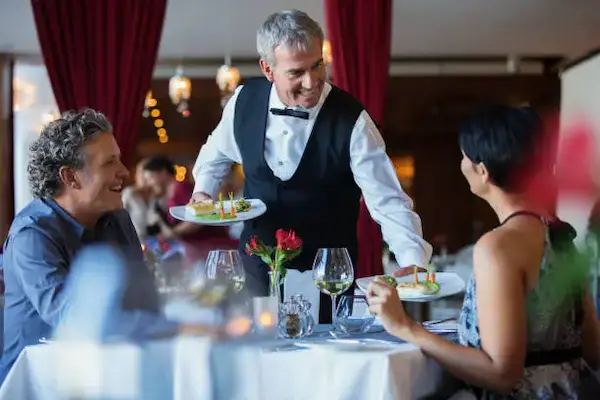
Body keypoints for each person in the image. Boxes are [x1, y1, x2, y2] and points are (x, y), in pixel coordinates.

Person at [190, 10, 432, 319]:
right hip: (254, 272)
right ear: (268, 69)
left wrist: (412, 261)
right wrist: (203, 194)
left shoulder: (352, 119)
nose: (311, 81)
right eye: (296, 72)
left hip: (327, 277)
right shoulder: (243, 101)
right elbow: (215, 153)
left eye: (318, 65)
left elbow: (387, 199)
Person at [367, 105, 600, 398]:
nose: (461, 163)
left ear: (482, 170)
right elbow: (593, 350)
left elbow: (502, 374)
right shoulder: (561, 235)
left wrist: (405, 326)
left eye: (464, 155)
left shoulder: (498, 247)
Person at [0, 110, 215, 383]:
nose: (124, 172)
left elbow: (145, 300)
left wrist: (197, 312)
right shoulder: (32, 235)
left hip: (106, 372)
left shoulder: (117, 218)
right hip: (38, 384)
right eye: (109, 163)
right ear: (71, 177)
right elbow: (77, 319)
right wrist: (180, 327)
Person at [142, 156, 237, 266]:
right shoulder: (168, 193)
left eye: (149, 178)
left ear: (162, 173)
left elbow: (201, 216)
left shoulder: (182, 188)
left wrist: (174, 233)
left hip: (210, 249)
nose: (148, 183)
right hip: (196, 250)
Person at [121, 157, 153, 239]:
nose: (144, 178)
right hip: (134, 240)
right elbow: (120, 219)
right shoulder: (129, 193)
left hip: (156, 242)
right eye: (141, 173)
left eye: (147, 174)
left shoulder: (157, 195)